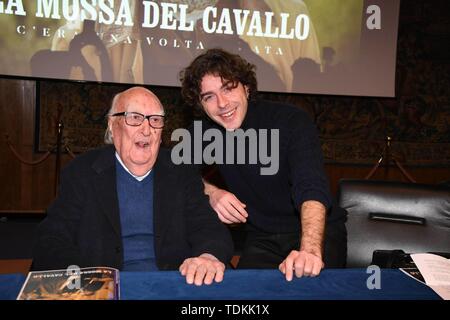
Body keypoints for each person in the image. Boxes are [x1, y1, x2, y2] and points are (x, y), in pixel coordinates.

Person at [33, 87, 233, 286]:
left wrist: (208, 256)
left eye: (155, 120)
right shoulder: (82, 172)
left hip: (173, 283)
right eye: (135, 118)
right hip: (103, 287)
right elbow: (52, 238)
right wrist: (85, 280)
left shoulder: (181, 170)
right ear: (112, 125)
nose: (146, 129)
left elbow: (208, 228)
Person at [180, 48, 346, 280]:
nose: (222, 103)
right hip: (262, 237)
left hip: (315, 231)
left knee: (309, 293)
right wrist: (212, 192)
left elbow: (311, 187)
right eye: (209, 96)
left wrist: (308, 250)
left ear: (246, 88)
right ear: (201, 104)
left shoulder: (290, 120)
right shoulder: (204, 132)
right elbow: (177, 172)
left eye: (228, 88)